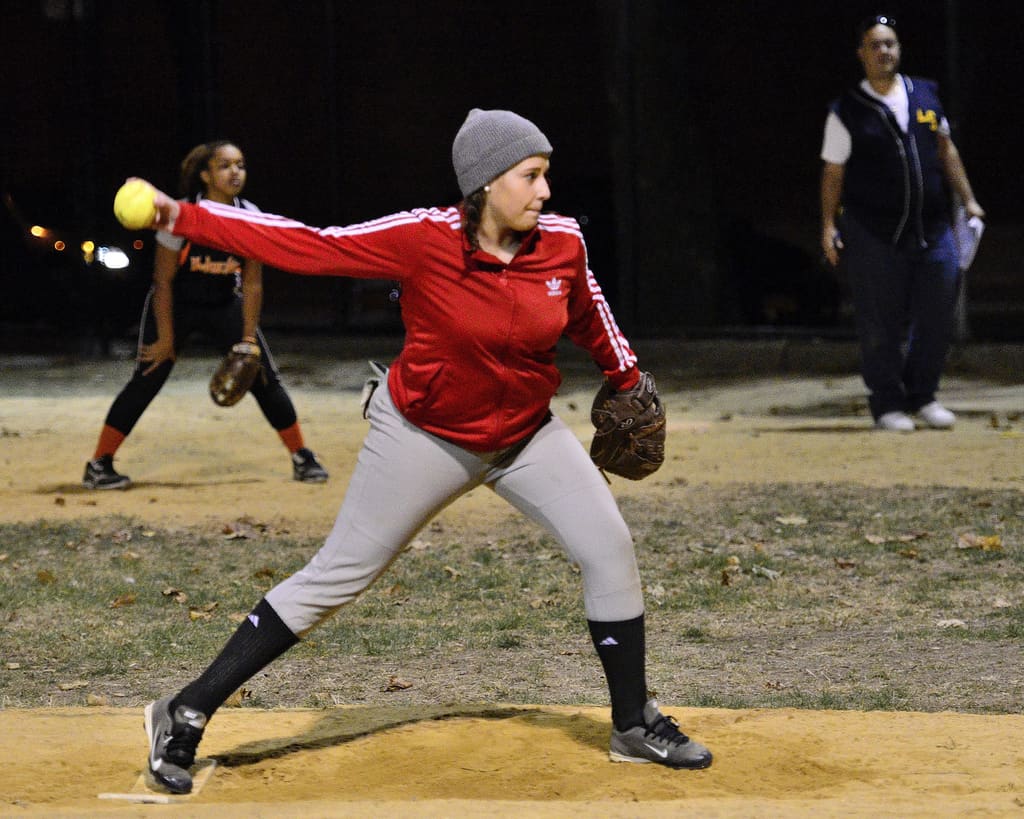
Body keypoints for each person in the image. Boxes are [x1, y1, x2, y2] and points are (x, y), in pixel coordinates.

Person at [136, 108, 712, 794]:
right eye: (530, 176)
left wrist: (625, 375)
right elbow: (305, 244)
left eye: (545, 175)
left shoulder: (561, 243)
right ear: (486, 182)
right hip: (424, 434)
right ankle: (185, 709)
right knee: (336, 577)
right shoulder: (421, 238)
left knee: (609, 546)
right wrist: (185, 216)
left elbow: (589, 312)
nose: (544, 191)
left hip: (525, 433)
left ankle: (632, 722)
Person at [82, 141, 328, 488]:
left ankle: (302, 456)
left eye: (240, 165)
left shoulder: (250, 215)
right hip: (177, 304)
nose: (235, 172)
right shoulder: (180, 215)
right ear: (205, 174)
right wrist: (166, 338)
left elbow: (253, 283)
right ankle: (99, 465)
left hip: (224, 305)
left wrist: (246, 339)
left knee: (262, 375)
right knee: (148, 374)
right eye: (225, 165)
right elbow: (163, 281)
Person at [820, 14, 985, 432]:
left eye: (890, 44)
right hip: (873, 232)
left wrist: (968, 201)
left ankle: (923, 396)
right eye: (875, 45)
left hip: (932, 228)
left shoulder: (926, 94)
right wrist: (827, 224)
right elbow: (833, 173)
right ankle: (888, 404)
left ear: (899, 49)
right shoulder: (846, 111)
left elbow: (946, 151)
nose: (884, 52)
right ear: (861, 53)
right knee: (880, 323)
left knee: (936, 315)